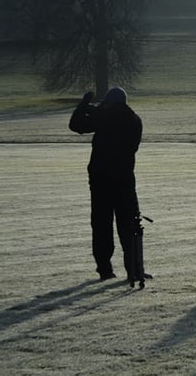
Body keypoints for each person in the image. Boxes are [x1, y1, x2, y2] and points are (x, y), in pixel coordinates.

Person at [69, 87, 145, 281]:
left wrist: (84, 105)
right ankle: (134, 269)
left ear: (110, 102)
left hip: (101, 179)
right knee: (129, 225)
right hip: (125, 179)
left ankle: (105, 269)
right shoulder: (134, 120)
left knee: (102, 225)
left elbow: (76, 125)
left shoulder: (104, 118)